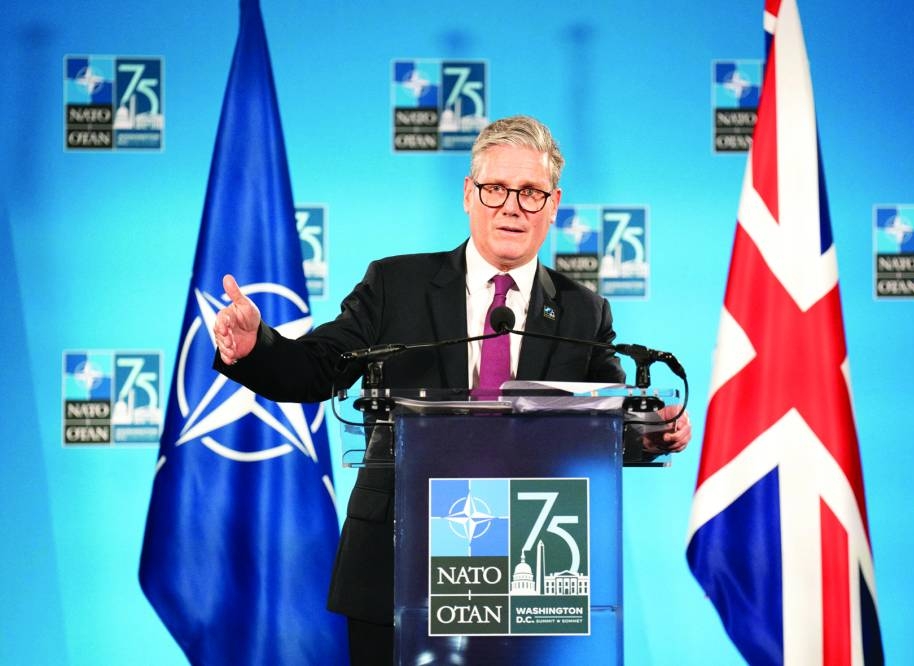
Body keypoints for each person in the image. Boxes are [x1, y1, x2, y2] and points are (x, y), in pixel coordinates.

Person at [213, 115, 691, 664]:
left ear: (554, 204)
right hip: (399, 559)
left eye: (531, 193)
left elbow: (605, 420)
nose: (512, 206)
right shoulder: (396, 285)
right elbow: (320, 367)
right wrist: (255, 347)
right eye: (495, 189)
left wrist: (652, 434)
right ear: (469, 193)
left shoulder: (583, 310)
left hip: (528, 571)